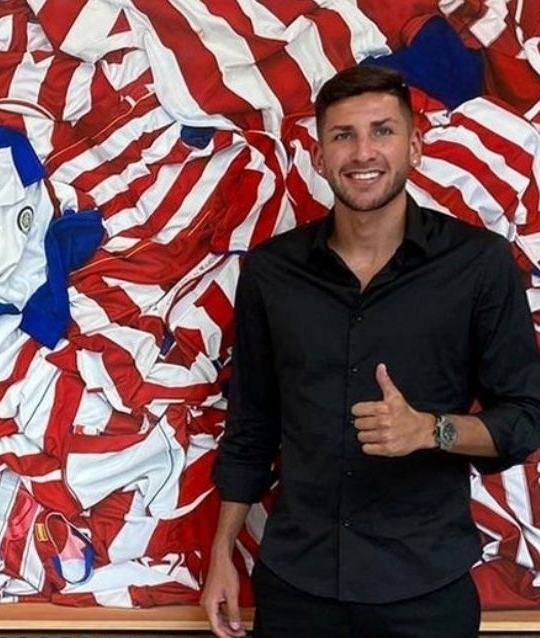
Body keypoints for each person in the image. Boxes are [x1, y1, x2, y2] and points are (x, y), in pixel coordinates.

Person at [200, 65, 540, 638]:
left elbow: (526, 419)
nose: (363, 152)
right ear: (318, 157)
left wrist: (431, 430)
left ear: (414, 146)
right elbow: (251, 426)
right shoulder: (271, 272)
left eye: (382, 131)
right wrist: (221, 557)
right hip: (297, 587)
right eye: (343, 135)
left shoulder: (478, 265)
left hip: (424, 589)